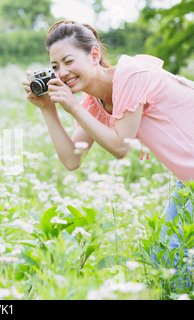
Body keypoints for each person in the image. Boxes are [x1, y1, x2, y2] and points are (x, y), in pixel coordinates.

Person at [22, 20, 194, 270]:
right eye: (55, 67)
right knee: (166, 258)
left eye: (69, 62)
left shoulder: (132, 77)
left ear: (94, 55)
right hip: (188, 181)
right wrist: (48, 108)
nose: (62, 73)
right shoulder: (95, 100)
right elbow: (72, 159)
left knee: (175, 261)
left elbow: (120, 147)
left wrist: (71, 106)